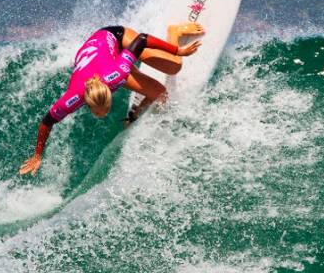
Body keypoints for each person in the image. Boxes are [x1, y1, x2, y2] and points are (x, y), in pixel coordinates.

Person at [18, 23, 204, 176]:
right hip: (100, 58)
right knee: (160, 94)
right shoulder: (73, 98)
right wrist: (37, 155)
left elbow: (143, 39)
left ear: (109, 93)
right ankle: (138, 103)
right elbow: (47, 122)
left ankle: (174, 32)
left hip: (113, 37)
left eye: (105, 109)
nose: (102, 114)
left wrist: (178, 50)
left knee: (173, 67)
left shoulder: (117, 74)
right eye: (98, 112)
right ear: (87, 103)